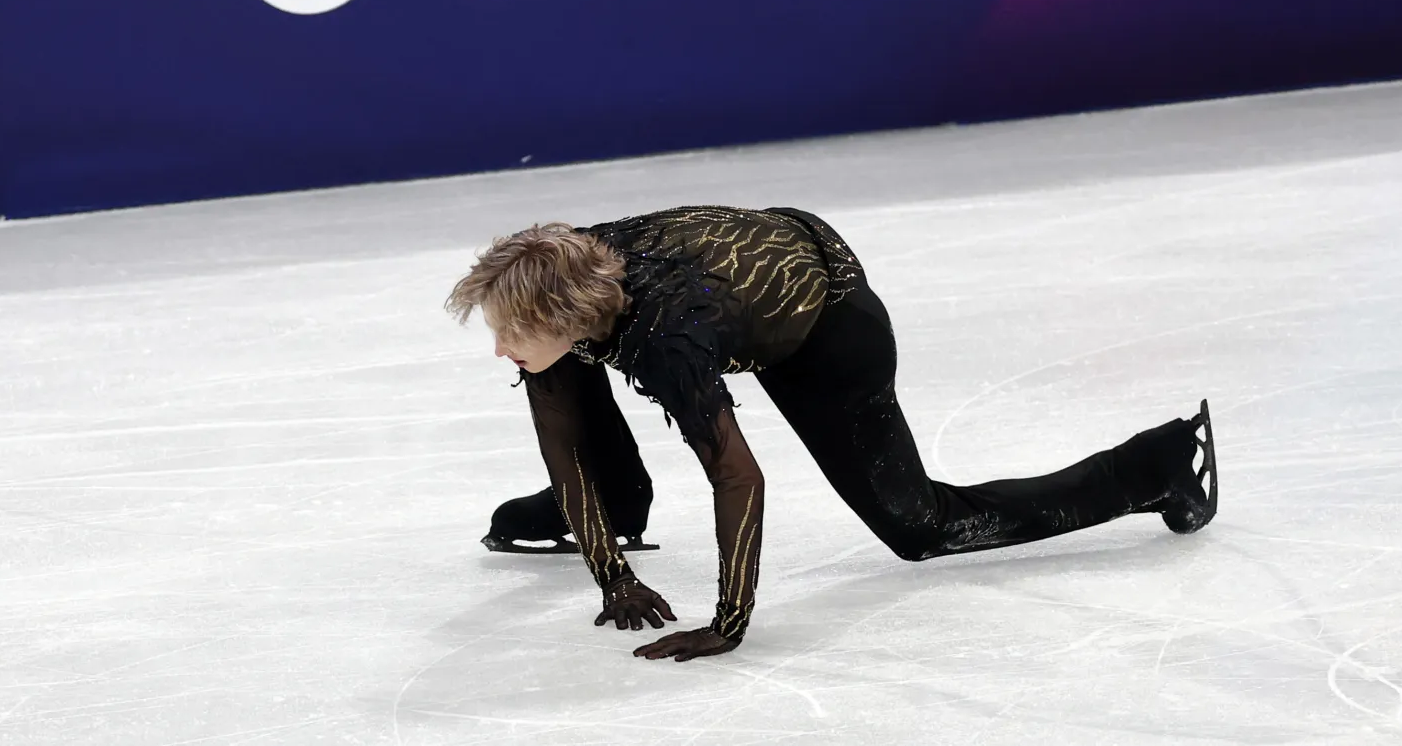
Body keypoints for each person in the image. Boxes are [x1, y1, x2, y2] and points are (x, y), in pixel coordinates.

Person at [446, 206, 1216, 662]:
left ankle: (1153, 466)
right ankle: (620, 504)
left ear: (562, 312)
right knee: (563, 371)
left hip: (825, 324)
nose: (499, 348)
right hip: (745, 271)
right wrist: (611, 575)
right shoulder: (561, 269)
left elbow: (739, 476)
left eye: (509, 331)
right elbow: (561, 436)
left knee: (922, 526)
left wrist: (728, 624)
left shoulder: (667, 338)